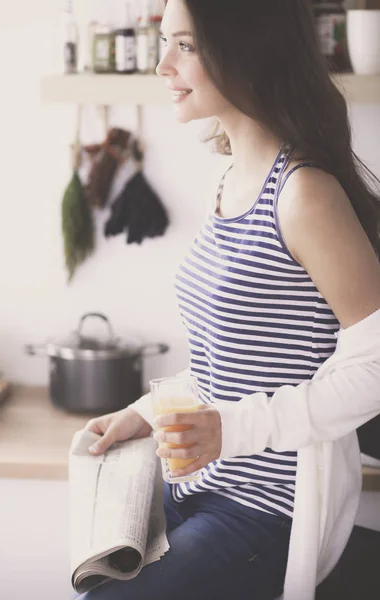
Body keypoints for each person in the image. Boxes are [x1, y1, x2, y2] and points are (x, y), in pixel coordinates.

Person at [78, 1, 380, 599]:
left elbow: (376, 367)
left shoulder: (304, 195)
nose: (163, 65)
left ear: (250, 49)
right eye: (164, 42)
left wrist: (230, 429)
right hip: (201, 485)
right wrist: (149, 408)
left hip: (268, 512)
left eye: (186, 46)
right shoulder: (231, 179)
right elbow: (243, 355)